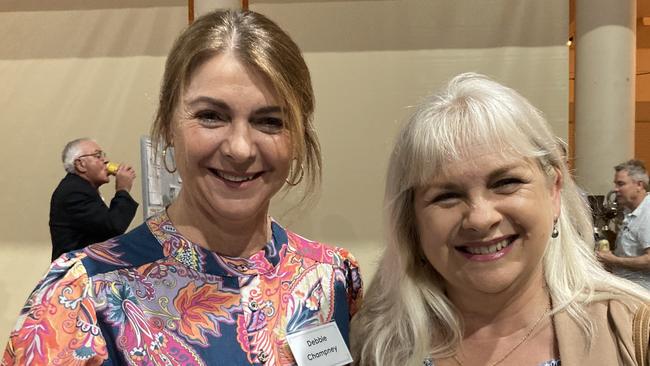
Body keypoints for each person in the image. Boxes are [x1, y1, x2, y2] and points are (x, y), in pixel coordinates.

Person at [2, 9, 362, 365]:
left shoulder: (330, 279)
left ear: (297, 140)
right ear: (168, 126)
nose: (239, 148)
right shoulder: (84, 297)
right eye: (211, 116)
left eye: (269, 121)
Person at [350, 73, 650, 366]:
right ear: (412, 219)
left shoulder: (634, 331)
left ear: (554, 191)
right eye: (445, 195)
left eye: (505, 182)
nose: (480, 218)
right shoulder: (376, 342)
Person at [49, 138, 139, 261]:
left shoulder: (82, 188)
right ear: (81, 165)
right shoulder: (74, 192)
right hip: (76, 274)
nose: (106, 160)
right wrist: (122, 189)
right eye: (98, 156)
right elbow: (113, 227)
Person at [598, 160, 650, 289]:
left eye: (621, 184)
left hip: (642, 294)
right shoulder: (631, 211)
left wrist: (614, 260)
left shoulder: (647, 213)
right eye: (615, 184)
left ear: (639, 185)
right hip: (627, 287)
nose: (615, 189)